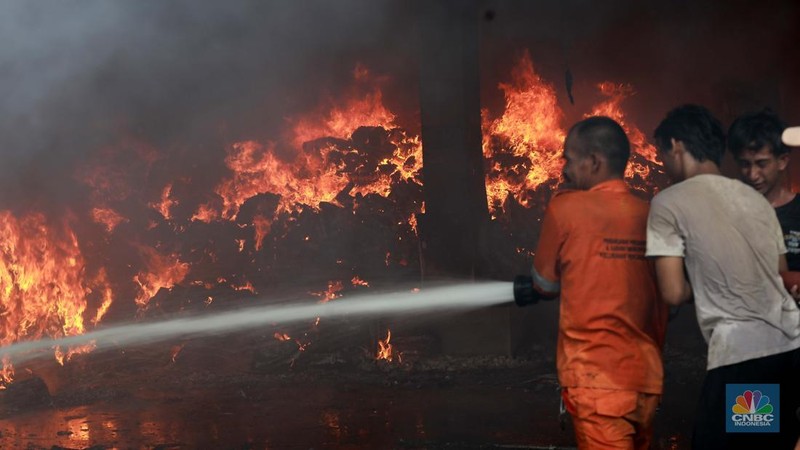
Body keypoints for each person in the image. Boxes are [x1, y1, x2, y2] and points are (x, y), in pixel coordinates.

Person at [646, 104, 800, 449]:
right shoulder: (755, 199)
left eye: (662, 154)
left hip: (746, 356)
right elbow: (777, 276)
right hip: (789, 347)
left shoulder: (668, 203)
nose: (663, 164)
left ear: (676, 146)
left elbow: (672, 292)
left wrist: (699, 282)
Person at [529, 116, 667, 449]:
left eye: (569, 159)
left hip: (596, 381)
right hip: (646, 381)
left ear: (593, 161)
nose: (564, 169)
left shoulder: (565, 209)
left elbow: (544, 285)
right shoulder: (653, 214)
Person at [728, 110, 800, 271]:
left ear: (782, 161)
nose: (752, 175)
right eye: (745, 164)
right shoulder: (728, 211)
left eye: (761, 164)